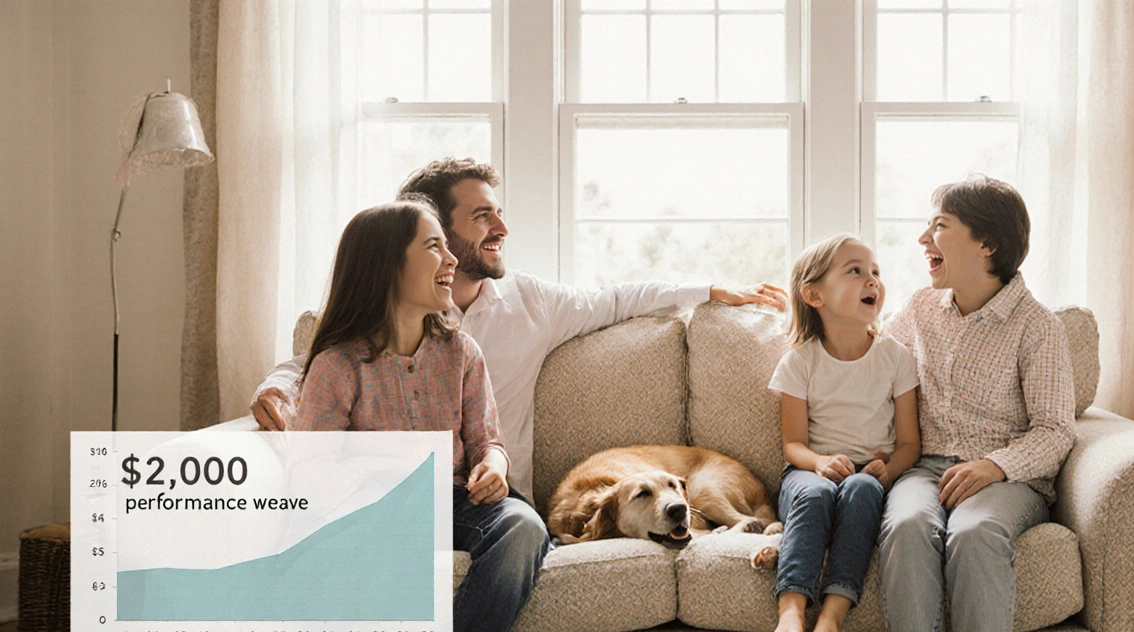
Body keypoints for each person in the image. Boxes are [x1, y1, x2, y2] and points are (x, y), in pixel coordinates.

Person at [251, 158, 788, 503]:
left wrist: (710, 290)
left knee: (517, 531)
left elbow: (619, 297)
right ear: (432, 226)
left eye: (499, 213)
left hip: (495, 497)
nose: (502, 228)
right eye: (482, 216)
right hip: (393, 498)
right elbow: (320, 358)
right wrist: (275, 386)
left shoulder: (529, 304)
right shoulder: (385, 312)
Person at [279, 199, 550, 632]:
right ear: (387, 263)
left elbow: (487, 441)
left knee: (524, 526)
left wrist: (492, 466)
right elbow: (309, 475)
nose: (451, 259)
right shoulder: (337, 365)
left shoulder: (462, 352)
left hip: (452, 500)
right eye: (433, 246)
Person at [878, 175, 1076, 632]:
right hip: (924, 469)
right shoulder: (920, 309)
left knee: (974, 532)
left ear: (986, 243)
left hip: (1007, 479)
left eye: (939, 225)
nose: (923, 238)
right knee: (909, 526)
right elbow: (872, 363)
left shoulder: (1038, 328)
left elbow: (1056, 430)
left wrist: (994, 466)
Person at [759, 234, 920, 632]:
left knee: (863, 492)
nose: (872, 281)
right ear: (814, 295)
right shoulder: (800, 361)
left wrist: (889, 468)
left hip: (868, 475)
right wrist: (820, 463)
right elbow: (792, 443)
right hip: (809, 473)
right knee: (814, 494)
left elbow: (909, 444)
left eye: (876, 273)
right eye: (855, 271)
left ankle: (832, 612)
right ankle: (791, 608)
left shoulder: (897, 358)